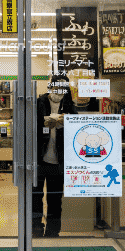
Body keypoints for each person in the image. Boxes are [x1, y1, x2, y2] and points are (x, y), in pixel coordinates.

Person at [34, 74, 77, 238]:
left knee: (55, 198)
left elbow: (77, 128)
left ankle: (53, 231)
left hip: (59, 160)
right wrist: (44, 123)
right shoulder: (39, 102)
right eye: (57, 87)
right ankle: (36, 228)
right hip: (39, 158)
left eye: (63, 88)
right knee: (36, 196)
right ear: (51, 86)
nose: (59, 91)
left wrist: (66, 121)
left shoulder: (69, 105)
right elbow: (30, 126)